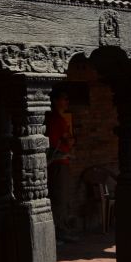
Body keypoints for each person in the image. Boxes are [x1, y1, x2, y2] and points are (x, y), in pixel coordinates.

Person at [46, 89, 77, 243]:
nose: (67, 102)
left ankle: (63, 230)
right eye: (64, 99)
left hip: (63, 163)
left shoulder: (60, 119)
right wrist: (67, 139)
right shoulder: (54, 120)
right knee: (59, 198)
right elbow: (54, 143)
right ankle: (60, 232)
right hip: (58, 164)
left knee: (63, 198)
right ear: (56, 101)